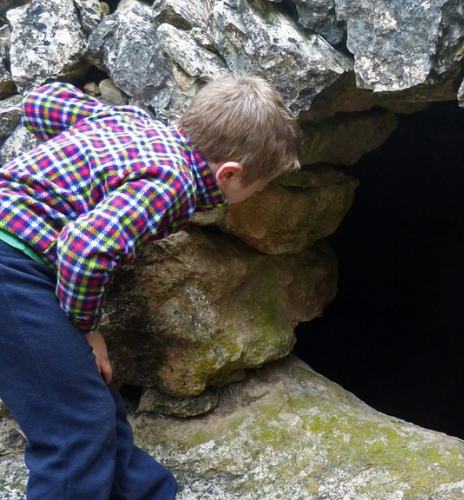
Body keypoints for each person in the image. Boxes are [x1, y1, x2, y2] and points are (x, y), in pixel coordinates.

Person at [0, 74, 300, 499]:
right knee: (75, 427)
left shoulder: (130, 123)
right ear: (231, 173)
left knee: (92, 403)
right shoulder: (171, 182)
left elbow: (41, 101)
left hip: (16, 260)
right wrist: (87, 329)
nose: (258, 194)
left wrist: (83, 151)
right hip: (10, 268)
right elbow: (84, 250)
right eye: (260, 186)